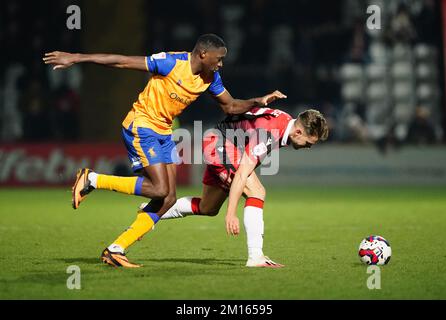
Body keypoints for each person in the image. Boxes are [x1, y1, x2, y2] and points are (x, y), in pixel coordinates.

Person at [43, 34, 286, 268]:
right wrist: (76, 57)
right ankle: (93, 179)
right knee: (159, 189)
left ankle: (116, 249)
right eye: (218, 58)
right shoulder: (171, 62)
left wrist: (258, 101)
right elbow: (123, 61)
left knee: (168, 199)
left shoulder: (211, 78)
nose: (221, 64)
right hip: (141, 125)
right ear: (203, 53)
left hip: (164, 132)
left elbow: (231, 106)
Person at [153, 107, 329, 268]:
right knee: (257, 191)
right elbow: (242, 174)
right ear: (298, 131)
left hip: (219, 141)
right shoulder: (269, 133)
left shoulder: (283, 121)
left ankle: (152, 211)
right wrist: (231, 213)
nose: (308, 147)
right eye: (308, 142)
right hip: (220, 145)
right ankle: (256, 256)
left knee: (208, 207)